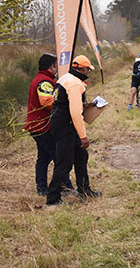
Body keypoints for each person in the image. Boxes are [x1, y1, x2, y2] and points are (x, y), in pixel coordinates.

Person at [46, 55, 102, 205]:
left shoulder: (65, 78)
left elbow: (61, 102)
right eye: (88, 70)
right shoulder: (76, 84)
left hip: (59, 123)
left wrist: (85, 105)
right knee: (64, 163)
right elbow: (75, 113)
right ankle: (53, 199)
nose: (88, 73)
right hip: (66, 126)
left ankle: (85, 190)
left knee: (81, 156)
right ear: (82, 69)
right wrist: (83, 136)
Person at [24, 53, 72, 195]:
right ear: (52, 67)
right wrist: (63, 109)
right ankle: (62, 187)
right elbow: (46, 101)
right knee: (59, 158)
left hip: (36, 125)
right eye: (56, 66)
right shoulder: (44, 81)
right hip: (41, 127)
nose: (57, 69)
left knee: (43, 158)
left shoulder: (40, 79)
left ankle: (42, 188)